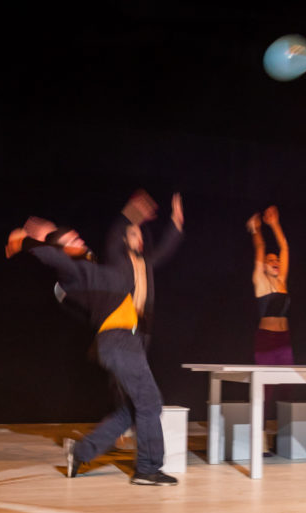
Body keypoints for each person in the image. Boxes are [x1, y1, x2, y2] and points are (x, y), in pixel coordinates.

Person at [5, 216, 179, 486]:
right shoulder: (73, 272)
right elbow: (54, 256)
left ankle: (82, 452)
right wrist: (26, 241)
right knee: (150, 402)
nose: (79, 238)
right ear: (61, 250)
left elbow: (123, 251)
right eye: (71, 240)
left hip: (125, 341)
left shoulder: (94, 268)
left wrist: (52, 233)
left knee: (130, 410)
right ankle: (147, 469)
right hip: (119, 340)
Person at [103, 189, 184, 449]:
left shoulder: (146, 261)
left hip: (143, 328)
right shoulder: (118, 260)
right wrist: (131, 213)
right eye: (133, 234)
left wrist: (175, 224)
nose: (137, 239)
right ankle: (121, 423)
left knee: (139, 377)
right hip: (121, 326)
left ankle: (137, 424)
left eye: (139, 235)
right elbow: (116, 234)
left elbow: (165, 249)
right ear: (125, 239)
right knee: (119, 378)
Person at [246, 206, 293, 435]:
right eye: (270, 260)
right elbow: (261, 248)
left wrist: (274, 223)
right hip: (266, 342)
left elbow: (284, 247)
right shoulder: (261, 281)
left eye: (276, 261)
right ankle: (259, 435)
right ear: (264, 266)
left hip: (284, 341)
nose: (275, 262)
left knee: (288, 388)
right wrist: (256, 230)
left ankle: (285, 436)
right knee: (265, 392)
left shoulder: (282, 281)